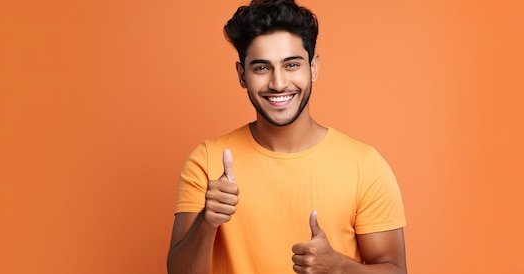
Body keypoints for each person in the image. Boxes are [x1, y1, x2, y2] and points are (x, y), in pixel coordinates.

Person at [167, 0, 407, 273]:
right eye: (261, 68)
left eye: (291, 65)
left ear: (313, 68)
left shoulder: (364, 166)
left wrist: (338, 266)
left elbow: (395, 270)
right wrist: (206, 222)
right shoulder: (208, 161)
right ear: (241, 75)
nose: (278, 83)